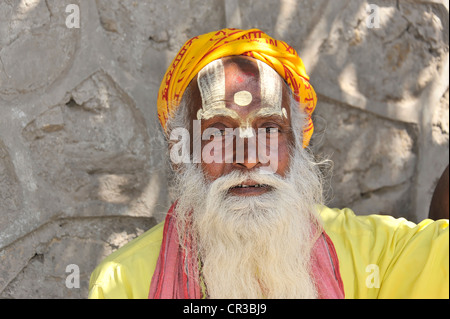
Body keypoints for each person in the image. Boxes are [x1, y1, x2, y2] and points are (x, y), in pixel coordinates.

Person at [88, 28, 449, 299]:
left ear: (297, 140)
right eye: (219, 130)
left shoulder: (374, 254)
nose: (248, 157)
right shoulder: (123, 283)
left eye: (269, 128)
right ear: (181, 151)